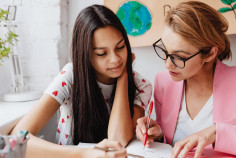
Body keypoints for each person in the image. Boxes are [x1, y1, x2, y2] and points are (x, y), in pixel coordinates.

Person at [136, 1, 236, 158]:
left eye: (179, 57)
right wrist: (157, 135)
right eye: (165, 50)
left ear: (210, 54)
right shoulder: (164, 82)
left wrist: (217, 133)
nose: (167, 65)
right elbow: (171, 143)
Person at [11, 5, 152, 158]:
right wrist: (87, 154)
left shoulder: (141, 85)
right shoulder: (70, 76)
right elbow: (17, 139)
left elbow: (119, 138)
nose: (115, 59)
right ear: (85, 55)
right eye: (102, 53)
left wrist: (124, 75)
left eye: (120, 47)